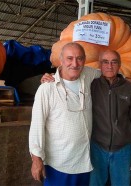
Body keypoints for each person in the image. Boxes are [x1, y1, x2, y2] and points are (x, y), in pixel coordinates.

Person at [28, 42, 102, 186]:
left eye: (79, 58)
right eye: (69, 58)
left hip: (84, 161)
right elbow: (37, 125)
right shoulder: (47, 88)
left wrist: (127, 80)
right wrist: (36, 158)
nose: (75, 64)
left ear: (85, 60)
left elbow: (109, 72)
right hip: (58, 164)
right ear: (61, 60)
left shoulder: (88, 75)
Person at [89, 49, 131, 186]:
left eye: (114, 62)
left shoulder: (128, 88)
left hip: (123, 151)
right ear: (99, 65)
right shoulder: (91, 85)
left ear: (119, 65)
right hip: (97, 147)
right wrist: (51, 78)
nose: (109, 66)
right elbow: (69, 78)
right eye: (105, 62)